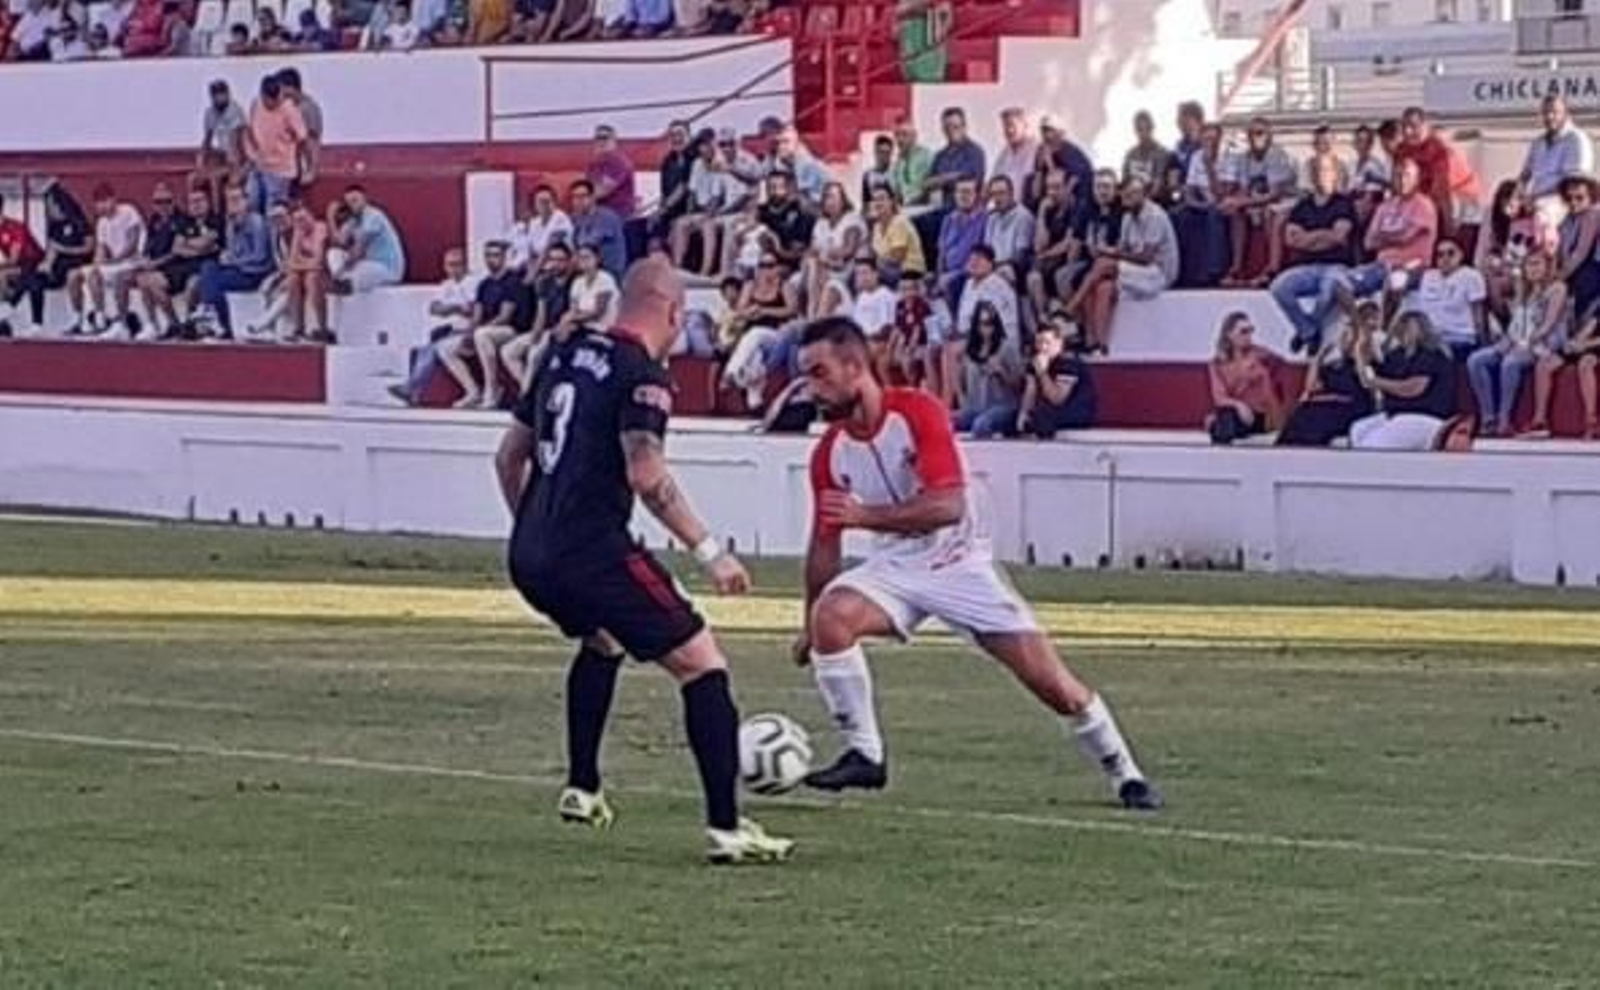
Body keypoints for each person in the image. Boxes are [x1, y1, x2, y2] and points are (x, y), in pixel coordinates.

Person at [792, 315, 1162, 810]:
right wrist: (809, 623)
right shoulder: (828, 453)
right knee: (832, 619)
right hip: (897, 566)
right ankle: (866, 754)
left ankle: (1126, 774)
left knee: (1057, 689)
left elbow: (948, 507)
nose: (809, 387)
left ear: (856, 366)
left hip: (959, 562)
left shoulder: (917, 412)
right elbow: (823, 548)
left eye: (819, 373)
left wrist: (866, 515)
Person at [494, 257, 794, 864]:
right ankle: (728, 828)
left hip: (529, 553)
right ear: (674, 312)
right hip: (593, 551)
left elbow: (508, 457)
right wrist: (712, 553)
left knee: (604, 638)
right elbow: (648, 475)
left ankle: (582, 788)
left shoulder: (561, 353)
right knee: (702, 661)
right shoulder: (642, 374)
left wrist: (532, 526)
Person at [1065, 176, 1176, 353]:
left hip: (1158, 273)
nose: (1129, 198)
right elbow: (1123, 249)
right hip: (1137, 272)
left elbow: (1145, 258)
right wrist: (1106, 249)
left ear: (1144, 195)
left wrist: (1112, 254)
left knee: (1102, 265)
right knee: (1103, 287)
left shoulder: (1154, 216)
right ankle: (1097, 343)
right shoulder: (1127, 218)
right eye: (1126, 195)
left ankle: (1070, 308)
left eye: (1134, 194)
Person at [1467, 250, 1568, 437]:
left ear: (1548, 266)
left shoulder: (1557, 288)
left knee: (1510, 362)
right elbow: (1515, 322)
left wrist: (1523, 343)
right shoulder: (1523, 289)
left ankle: (1505, 420)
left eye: (1537, 263)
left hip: (1543, 343)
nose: (1533, 269)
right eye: (1529, 264)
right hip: (1516, 340)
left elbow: (1548, 325)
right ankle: (1489, 417)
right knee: (1476, 360)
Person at [1269, 155, 1359, 353]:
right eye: (1317, 170)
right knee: (1279, 287)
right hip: (1307, 267)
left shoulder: (1343, 204)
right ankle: (1309, 331)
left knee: (1329, 288)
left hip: (1337, 266)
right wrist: (1322, 236)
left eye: (1326, 170)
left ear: (1335, 174)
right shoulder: (1302, 206)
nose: (1321, 175)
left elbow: (1338, 236)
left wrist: (1308, 238)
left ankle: (1306, 329)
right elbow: (1291, 240)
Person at [1350, 311, 1463, 451]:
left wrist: (1377, 382)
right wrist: (1362, 352)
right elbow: (1371, 376)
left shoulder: (1431, 355)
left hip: (1422, 415)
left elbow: (1413, 389)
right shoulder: (1398, 355)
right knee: (1358, 430)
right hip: (1396, 413)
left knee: (1372, 445)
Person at [1276, 302, 1380, 447]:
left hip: (1353, 406)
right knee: (1302, 414)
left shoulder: (1368, 360)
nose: (1345, 337)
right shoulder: (1336, 364)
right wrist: (1317, 360)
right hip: (1328, 405)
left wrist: (1359, 352)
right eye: (1346, 332)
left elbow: (1370, 384)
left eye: (1351, 333)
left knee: (1318, 417)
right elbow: (1312, 387)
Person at [390, 247, 479, 407]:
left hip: (467, 330)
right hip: (447, 330)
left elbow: (472, 309)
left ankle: (411, 389)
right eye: (450, 265)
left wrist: (449, 309)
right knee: (426, 349)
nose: (453, 269)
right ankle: (413, 391)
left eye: (457, 264)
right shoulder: (446, 285)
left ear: (465, 266)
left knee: (434, 348)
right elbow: (434, 308)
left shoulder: (473, 283)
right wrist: (456, 308)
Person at [440, 240, 523, 409]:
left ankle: (492, 390)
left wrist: (479, 330)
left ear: (504, 257)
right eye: (488, 255)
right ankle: (473, 391)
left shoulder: (513, 281)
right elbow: (477, 314)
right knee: (446, 348)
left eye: (496, 255)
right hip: (485, 330)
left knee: (482, 335)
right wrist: (469, 333)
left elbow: (504, 316)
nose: (491, 259)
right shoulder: (484, 284)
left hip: (511, 330)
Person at [1219, 117, 1297, 287]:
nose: (1256, 137)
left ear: (1269, 136)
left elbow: (1275, 194)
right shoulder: (1244, 159)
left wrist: (1243, 202)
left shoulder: (1277, 155)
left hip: (1288, 200)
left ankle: (1272, 268)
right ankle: (1237, 266)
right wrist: (1233, 202)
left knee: (1270, 212)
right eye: (1252, 133)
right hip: (1260, 200)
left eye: (1261, 133)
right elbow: (1244, 189)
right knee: (1236, 213)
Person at [138, 186, 222, 340]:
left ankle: (190, 325)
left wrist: (191, 245)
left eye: (200, 200)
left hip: (204, 267)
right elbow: (178, 248)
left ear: (208, 202)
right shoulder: (185, 222)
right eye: (192, 202)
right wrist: (198, 247)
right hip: (182, 267)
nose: (196, 205)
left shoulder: (216, 220)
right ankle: (173, 323)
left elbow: (205, 243)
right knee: (147, 281)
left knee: (193, 286)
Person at [194, 182, 275, 340]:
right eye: (230, 201)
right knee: (208, 267)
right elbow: (231, 251)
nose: (233, 205)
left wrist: (233, 261)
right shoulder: (230, 224)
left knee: (214, 283)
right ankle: (210, 311)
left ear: (246, 201)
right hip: (238, 269)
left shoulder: (256, 222)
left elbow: (260, 256)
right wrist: (227, 258)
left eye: (236, 199)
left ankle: (218, 319)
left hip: (255, 272)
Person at [66, 184, 146, 339]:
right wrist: (97, 263)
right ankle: (89, 318)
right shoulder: (101, 222)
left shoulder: (128, 211)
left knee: (115, 278)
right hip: (114, 264)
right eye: (99, 203)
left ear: (114, 199)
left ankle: (121, 324)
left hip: (133, 262)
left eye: (105, 201)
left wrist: (114, 261)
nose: (102, 206)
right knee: (74, 275)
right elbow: (101, 249)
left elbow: (133, 244)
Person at [1518, 95, 1593, 241]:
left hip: (1565, 199)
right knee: (1497, 212)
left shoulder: (1576, 139)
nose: (1549, 117)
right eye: (1545, 113)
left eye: (1554, 112)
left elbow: (1574, 182)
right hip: (1536, 198)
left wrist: (1535, 199)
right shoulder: (1537, 143)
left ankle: (1543, 258)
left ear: (1566, 113)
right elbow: (1525, 174)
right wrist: (1516, 197)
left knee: (1541, 215)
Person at [1206, 310, 1284, 445]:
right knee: (1227, 415)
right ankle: (1221, 434)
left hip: (1261, 415)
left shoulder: (1261, 355)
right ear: (1229, 335)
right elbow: (1219, 397)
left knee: (1221, 422)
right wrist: (1239, 405)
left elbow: (1282, 371)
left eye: (1250, 331)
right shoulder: (1217, 363)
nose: (1248, 336)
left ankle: (1218, 430)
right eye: (1243, 332)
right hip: (1238, 413)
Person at [950, 301, 1024, 438]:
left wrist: (1002, 372)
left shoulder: (1006, 347)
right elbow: (959, 377)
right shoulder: (970, 350)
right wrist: (961, 396)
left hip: (1003, 406)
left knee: (981, 424)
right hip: (976, 406)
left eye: (990, 323)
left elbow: (1019, 384)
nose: (986, 328)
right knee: (947, 420)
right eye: (981, 323)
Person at [1475, 179, 1544, 323]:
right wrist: (1489, 266)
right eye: (1505, 203)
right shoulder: (1494, 216)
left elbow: (1531, 251)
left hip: (1525, 271)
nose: (1509, 207)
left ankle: (1511, 325)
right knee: (1484, 281)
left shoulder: (1530, 221)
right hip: (1504, 268)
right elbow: (1483, 250)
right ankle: (1501, 323)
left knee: (1511, 281)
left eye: (1513, 202)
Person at [1407, 238, 1487, 360]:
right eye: (1440, 254)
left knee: (1430, 354)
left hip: (1460, 336)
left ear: (1461, 255)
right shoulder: (1428, 276)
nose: (1445, 258)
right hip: (1429, 335)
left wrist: (1481, 343)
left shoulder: (1471, 276)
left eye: (1451, 253)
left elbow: (1478, 313)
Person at [1018, 319, 1095, 438]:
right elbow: (1030, 391)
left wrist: (1042, 373)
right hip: (1049, 413)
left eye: (1047, 342)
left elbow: (1057, 399)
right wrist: (1023, 416)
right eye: (1039, 342)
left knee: (1042, 417)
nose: (1042, 347)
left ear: (1059, 343)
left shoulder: (1069, 363)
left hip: (1076, 413)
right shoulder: (1036, 360)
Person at [243, 74, 308, 213]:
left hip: (281, 170)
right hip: (259, 165)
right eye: (269, 100)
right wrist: (253, 153)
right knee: (250, 204)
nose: (274, 103)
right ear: (263, 95)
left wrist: (295, 159)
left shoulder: (289, 109)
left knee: (273, 212)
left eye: (276, 99)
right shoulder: (256, 104)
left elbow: (302, 137)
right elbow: (249, 129)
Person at [1528, 314, 1600, 440]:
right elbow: (1592, 324)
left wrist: (1587, 344)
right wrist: (1577, 342)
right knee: (1544, 364)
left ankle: (1591, 421)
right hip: (1582, 345)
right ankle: (1540, 421)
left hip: (1594, 348)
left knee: (1585, 364)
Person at [805, 182, 867, 320]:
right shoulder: (821, 223)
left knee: (816, 267)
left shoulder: (851, 219)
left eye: (834, 197)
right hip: (825, 267)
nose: (830, 201)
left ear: (843, 199)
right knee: (809, 268)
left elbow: (849, 250)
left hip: (848, 269)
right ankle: (810, 315)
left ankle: (814, 317)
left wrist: (826, 254)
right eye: (826, 197)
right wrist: (826, 256)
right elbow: (812, 249)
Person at [327, 185, 405, 294]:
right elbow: (338, 242)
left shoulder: (373, 216)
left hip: (386, 268)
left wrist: (340, 271)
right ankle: (343, 282)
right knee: (333, 253)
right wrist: (330, 216)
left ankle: (345, 283)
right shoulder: (353, 221)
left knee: (361, 271)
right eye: (348, 202)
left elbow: (358, 251)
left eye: (355, 200)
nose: (352, 205)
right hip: (368, 263)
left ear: (365, 199)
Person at [1555, 174, 1600, 325]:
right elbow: (1559, 248)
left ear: (1591, 196)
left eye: (1579, 197)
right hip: (1573, 266)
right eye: (1569, 198)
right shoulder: (1568, 218)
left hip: (1592, 265)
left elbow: (1581, 253)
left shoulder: (1593, 214)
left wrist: (1558, 276)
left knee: (1583, 282)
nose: (1573, 202)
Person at [0, 192, 47, 336]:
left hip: (35, 262)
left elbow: (14, 258)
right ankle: (4, 317)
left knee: (29, 277)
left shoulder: (15, 227)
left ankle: (8, 309)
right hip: (19, 268)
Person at [506, 184, 574, 276]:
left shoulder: (560, 219)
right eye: (540, 201)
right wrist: (529, 269)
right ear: (534, 203)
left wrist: (532, 275)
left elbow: (547, 250)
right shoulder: (534, 222)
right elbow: (530, 251)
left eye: (547, 201)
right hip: (537, 267)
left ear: (554, 202)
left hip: (557, 268)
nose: (544, 205)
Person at [569, 179, 627, 278]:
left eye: (583, 196)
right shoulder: (577, 219)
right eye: (575, 197)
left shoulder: (606, 216)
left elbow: (589, 244)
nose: (578, 201)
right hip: (588, 272)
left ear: (592, 197)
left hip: (609, 273)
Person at [990, 107, 1040, 204]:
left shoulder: (1036, 149)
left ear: (1024, 125)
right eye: (1005, 126)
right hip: (1005, 211)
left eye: (1012, 125)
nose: (1009, 130)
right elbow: (991, 185)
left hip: (1029, 210)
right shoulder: (1003, 155)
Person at [1122, 110, 1173, 204]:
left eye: (1146, 129)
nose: (1142, 133)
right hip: (1132, 200)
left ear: (1152, 129)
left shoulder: (1162, 153)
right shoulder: (1130, 154)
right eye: (1139, 129)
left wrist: (1141, 202)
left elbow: (1157, 185)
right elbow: (1125, 182)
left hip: (1154, 201)